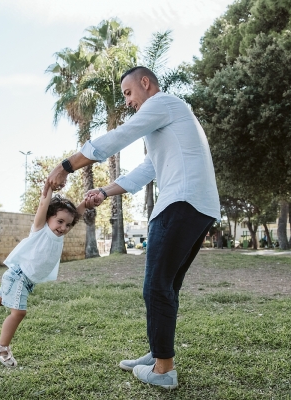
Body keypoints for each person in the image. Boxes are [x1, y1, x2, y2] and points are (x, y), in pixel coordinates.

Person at [44, 66, 220, 389]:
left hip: (180, 202)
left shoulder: (162, 103)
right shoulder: (168, 120)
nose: (127, 102)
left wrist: (66, 165)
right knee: (165, 287)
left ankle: (164, 371)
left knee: (155, 287)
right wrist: (104, 191)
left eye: (128, 93)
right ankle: (158, 354)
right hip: (199, 206)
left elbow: (118, 137)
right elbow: (147, 169)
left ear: (145, 83)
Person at [0, 187, 85, 367]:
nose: (63, 227)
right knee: (19, 312)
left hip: (24, 279)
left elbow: (76, 216)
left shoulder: (59, 235)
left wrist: (85, 204)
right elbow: (43, 204)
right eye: (60, 221)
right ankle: (1, 347)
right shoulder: (40, 229)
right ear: (48, 217)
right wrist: (49, 185)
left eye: (67, 225)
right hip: (19, 276)